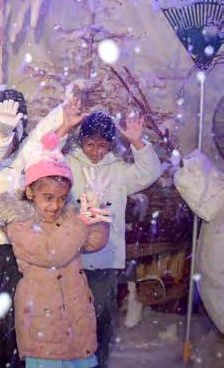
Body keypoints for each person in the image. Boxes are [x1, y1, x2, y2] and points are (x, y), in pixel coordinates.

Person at [0, 90, 83, 368]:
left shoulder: (19, 165)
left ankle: (13, 361)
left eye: (12, 134)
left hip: (19, 247)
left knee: (17, 309)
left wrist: (62, 118)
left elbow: (40, 143)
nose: (7, 142)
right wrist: (1, 133)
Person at [0, 131, 110, 368]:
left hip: (75, 313)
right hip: (43, 319)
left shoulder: (68, 218)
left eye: (62, 198)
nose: (56, 205)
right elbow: (51, 253)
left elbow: (93, 242)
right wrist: (81, 223)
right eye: (48, 197)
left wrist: (97, 215)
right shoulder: (19, 223)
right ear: (30, 192)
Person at [66, 111, 162, 367]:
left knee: (101, 315)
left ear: (110, 144)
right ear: (81, 141)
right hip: (70, 257)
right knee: (71, 316)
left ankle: (98, 361)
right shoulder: (69, 165)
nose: (95, 151)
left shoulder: (118, 170)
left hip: (105, 258)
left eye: (102, 145)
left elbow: (150, 172)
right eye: (90, 144)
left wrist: (137, 142)